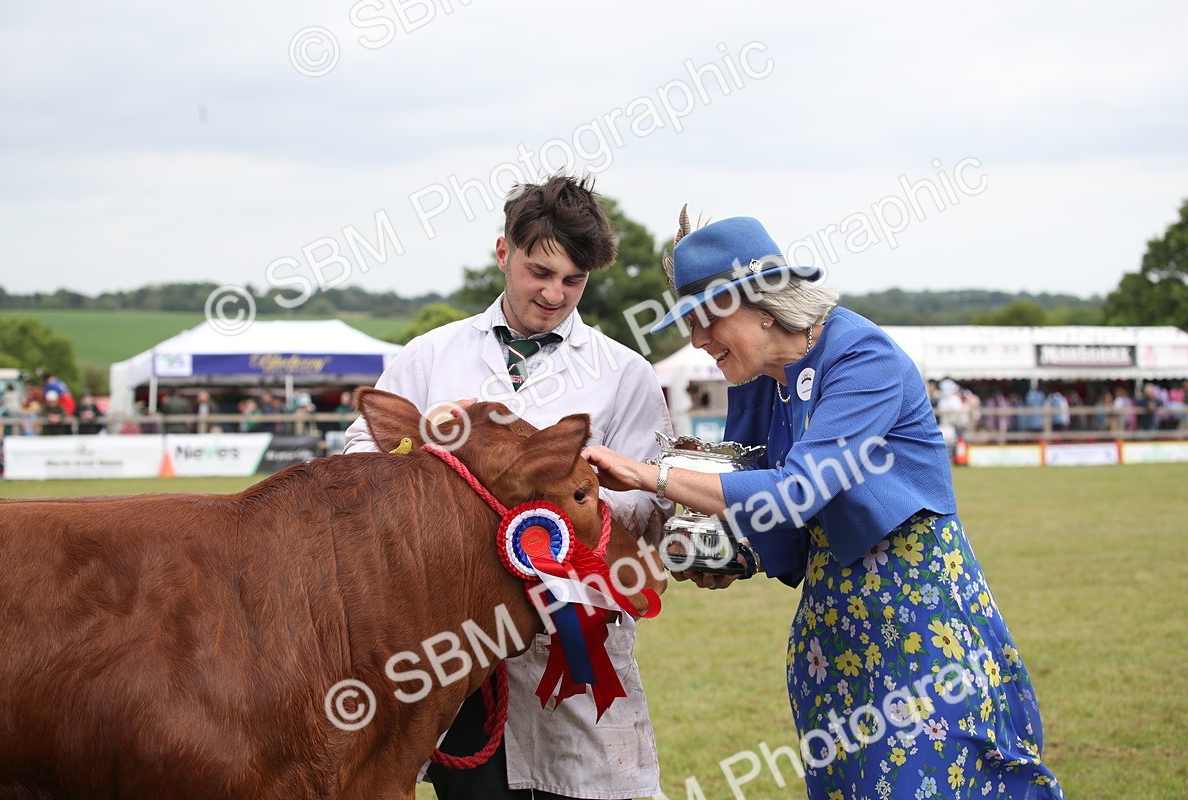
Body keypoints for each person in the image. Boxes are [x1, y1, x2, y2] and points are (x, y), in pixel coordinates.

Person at [585, 215, 1063, 799]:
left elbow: (796, 490)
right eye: (689, 323)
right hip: (832, 629)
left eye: (707, 320)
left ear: (764, 307)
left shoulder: (866, 358)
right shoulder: (758, 378)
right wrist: (733, 558)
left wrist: (650, 475)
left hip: (917, 618)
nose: (697, 341)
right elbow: (760, 499)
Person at [344, 175, 673, 800]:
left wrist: (575, 500)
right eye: (538, 271)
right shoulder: (430, 355)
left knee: (578, 786)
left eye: (572, 281)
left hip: (569, 645)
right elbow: (360, 462)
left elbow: (651, 509)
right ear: (504, 253)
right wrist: (435, 437)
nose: (554, 294)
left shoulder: (625, 374)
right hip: (451, 645)